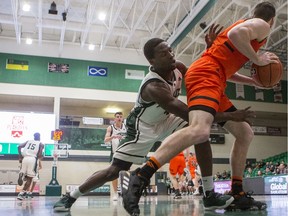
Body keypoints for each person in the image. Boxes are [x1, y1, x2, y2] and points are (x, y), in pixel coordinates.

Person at [53, 25, 254, 213]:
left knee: (201, 133)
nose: (171, 55)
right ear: (152, 61)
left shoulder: (178, 67)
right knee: (114, 171)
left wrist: (209, 52)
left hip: (167, 119)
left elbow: (200, 73)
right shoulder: (153, 87)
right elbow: (187, 112)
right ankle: (70, 197)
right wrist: (230, 115)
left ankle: (209, 194)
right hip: (141, 127)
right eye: (164, 54)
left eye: (170, 50)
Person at [120, 2, 277, 214]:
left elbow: (226, 66)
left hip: (215, 75)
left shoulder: (249, 26)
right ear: (272, 20)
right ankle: (142, 174)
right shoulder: (262, 26)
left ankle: (237, 193)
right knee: (200, 129)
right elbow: (236, 35)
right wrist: (257, 58)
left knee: (245, 133)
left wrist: (253, 82)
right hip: (207, 73)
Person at [104, 111, 127, 201]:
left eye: (121, 116)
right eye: (117, 116)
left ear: (122, 118)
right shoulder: (111, 128)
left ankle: (125, 192)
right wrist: (113, 137)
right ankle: (115, 193)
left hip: (125, 153)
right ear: (115, 118)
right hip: (115, 154)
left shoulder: (126, 128)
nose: (119, 118)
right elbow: (105, 140)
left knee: (125, 173)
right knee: (114, 174)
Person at [17, 132, 44, 200]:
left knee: (25, 174)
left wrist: (20, 156)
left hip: (25, 158)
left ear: (34, 137)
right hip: (32, 159)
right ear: (39, 137)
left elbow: (19, 146)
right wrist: (41, 156)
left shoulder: (28, 141)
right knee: (30, 179)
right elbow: (39, 155)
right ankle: (21, 194)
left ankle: (22, 174)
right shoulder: (41, 144)